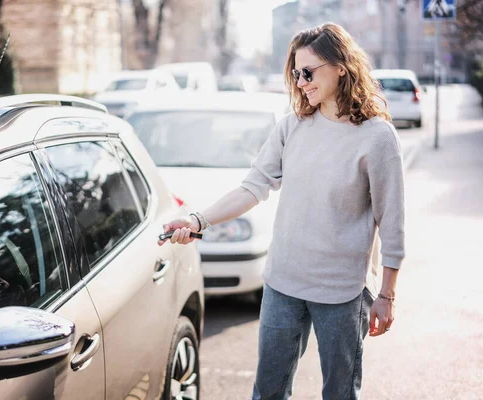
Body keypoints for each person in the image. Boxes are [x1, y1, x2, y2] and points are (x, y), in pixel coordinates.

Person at [159, 22, 404, 400]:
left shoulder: (377, 137)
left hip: (342, 292)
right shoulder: (292, 127)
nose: (301, 81)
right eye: (295, 72)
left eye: (309, 71)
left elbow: (393, 221)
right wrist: (196, 220)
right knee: (268, 392)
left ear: (341, 65)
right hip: (283, 283)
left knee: (339, 393)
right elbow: (252, 187)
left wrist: (387, 294)